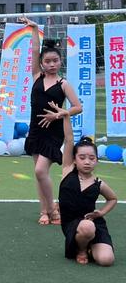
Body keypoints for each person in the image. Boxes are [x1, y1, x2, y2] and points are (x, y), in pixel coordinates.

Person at [21, 17, 82, 225]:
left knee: (40, 170)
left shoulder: (64, 84)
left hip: (53, 131)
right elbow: (34, 49)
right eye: (47, 61)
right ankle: (44, 211)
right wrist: (35, 29)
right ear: (41, 63)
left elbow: (77, 106)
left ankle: (54, 209)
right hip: (36, 129)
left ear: (60, 61)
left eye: (55, 61)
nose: (52, 64)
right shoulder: (37, 76)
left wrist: (58, 114)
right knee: (39, 174)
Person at [48, 102, 116, 266]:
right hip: (74, 225)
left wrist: (100, 213)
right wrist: (66, 116)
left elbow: (113, 199)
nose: (87, 162)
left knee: (106, 260)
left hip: (94, 223)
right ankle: (81, 249)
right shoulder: (67, 170)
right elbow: (69, 139)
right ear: (75, 159)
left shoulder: (98, 184)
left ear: (97, 161)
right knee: (86, 227)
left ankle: (92, 246)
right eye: (82, 157)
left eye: (92, 158)